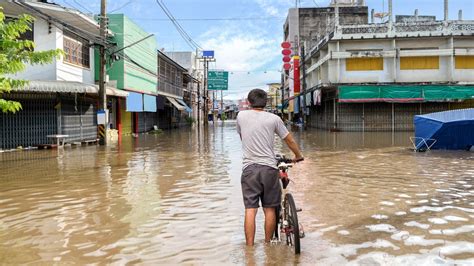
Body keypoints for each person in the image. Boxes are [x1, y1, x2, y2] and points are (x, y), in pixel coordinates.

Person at [236, 89, 304, 246]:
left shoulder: (241, 116)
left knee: (250, 210)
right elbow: (290, 140)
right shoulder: (274, 119)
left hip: (249, 169)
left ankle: (250, 250)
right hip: (269, 169)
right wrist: (298, 156)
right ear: (266, 102)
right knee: (270, 209)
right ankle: (268, 245)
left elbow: (242, 137)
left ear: (248, 102)